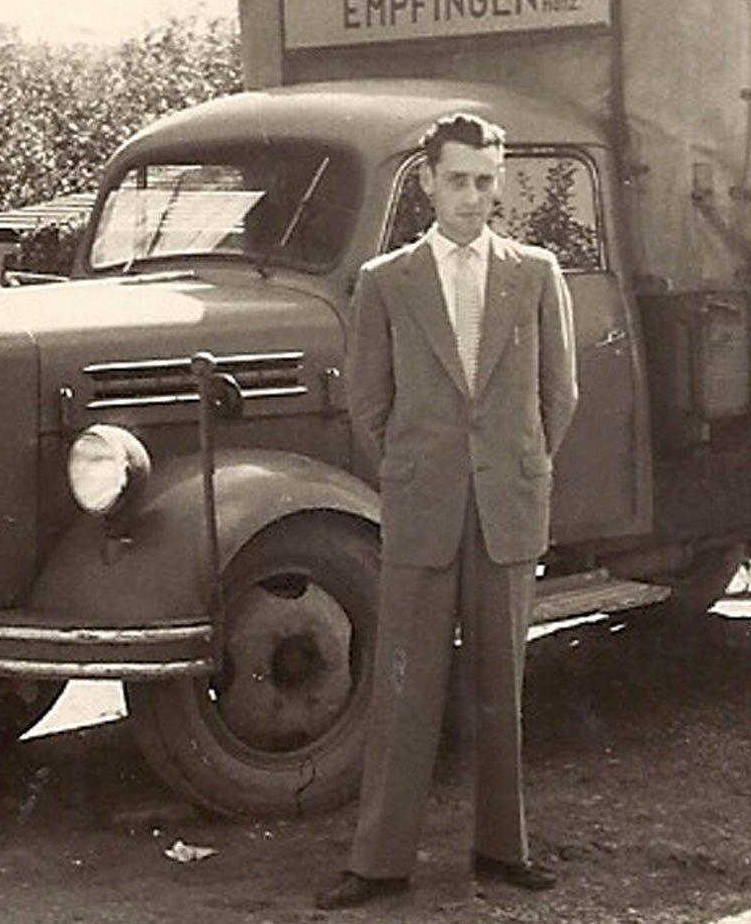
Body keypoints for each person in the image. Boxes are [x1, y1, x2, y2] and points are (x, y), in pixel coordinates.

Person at [316, 112, 579, 910]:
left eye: (486, 181)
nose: (474, 197)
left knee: (503, 679)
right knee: (404, 684)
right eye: (458, 180)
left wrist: (516, 462)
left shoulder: (535, 273)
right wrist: (419, 464)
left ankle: (504, 849)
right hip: (422, 504)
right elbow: (369, 403)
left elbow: (558, 394)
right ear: (426, 182)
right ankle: (380, 862)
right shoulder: (387, 281)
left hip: (506, 503)